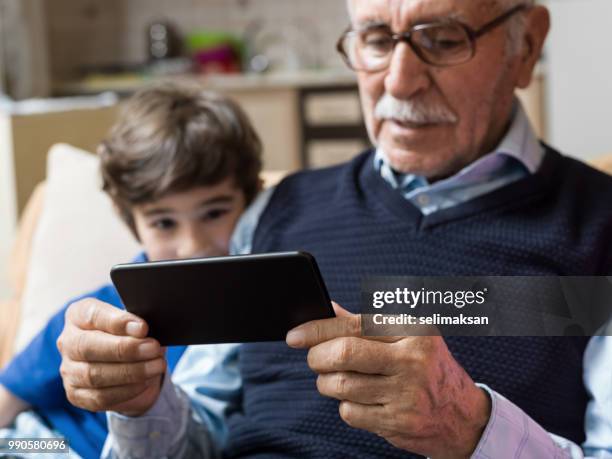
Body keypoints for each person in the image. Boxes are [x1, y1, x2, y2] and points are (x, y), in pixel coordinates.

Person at [57, 0, 612, 458]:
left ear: (527, 46)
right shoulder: (276, 211)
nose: (399, 81)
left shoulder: (597, 229)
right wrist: (143, 404)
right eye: (374, 39)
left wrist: (469, 426)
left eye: (442, 40)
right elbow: (200, 438)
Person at [0, 83, 262, 458]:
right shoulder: (97, 313)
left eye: (214, 213)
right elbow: (8, 399)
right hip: (41, 442)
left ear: (249, 203)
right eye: (164, 223)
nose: (192, 246)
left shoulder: (255, 310)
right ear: (132, 223)